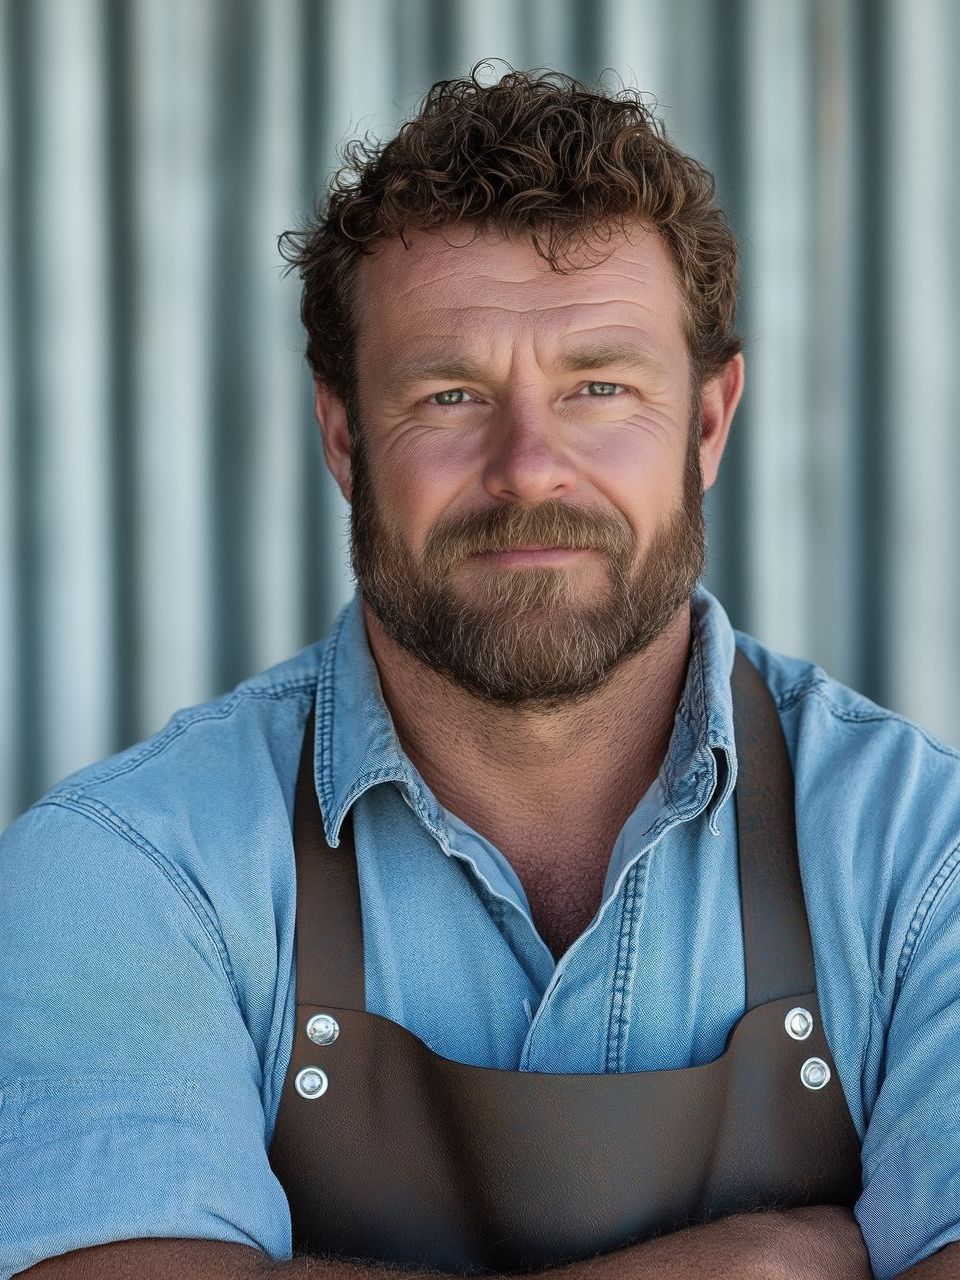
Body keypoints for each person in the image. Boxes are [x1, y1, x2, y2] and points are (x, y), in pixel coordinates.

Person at [2, 62, 959, 1280]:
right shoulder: (131, 867)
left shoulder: (924, 858)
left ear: (709, 423)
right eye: (450, 394)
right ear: (345, 433)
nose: (528, 469)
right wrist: (759, 1265)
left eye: (599, 387)